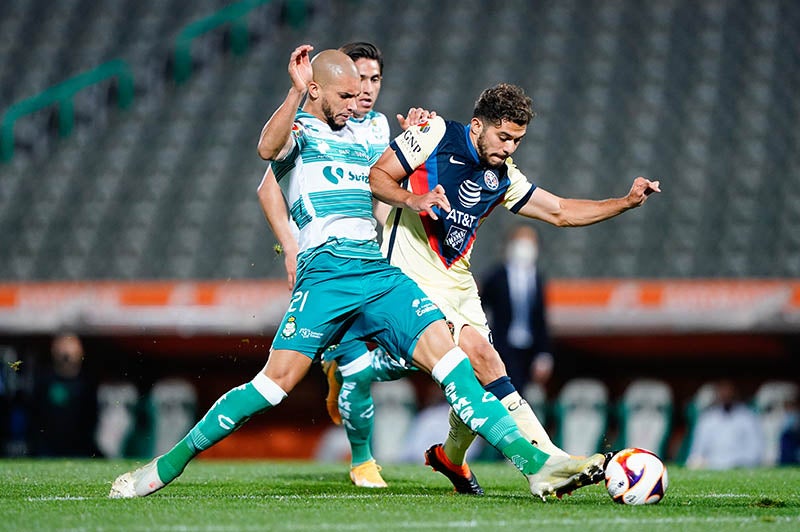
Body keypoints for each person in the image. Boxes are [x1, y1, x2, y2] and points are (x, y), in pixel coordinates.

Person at [109, 44, 606, 501]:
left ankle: (537, 463)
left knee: (457, 364)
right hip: (324, 275)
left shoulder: (370, 132)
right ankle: (164, 467)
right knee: (271, 387)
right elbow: (265, 152)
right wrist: (289, 244)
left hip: (376, 271)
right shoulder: (298, 132)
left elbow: (397, 169)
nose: (358, 100)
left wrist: (417, 133)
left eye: (364, 89)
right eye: (346, 93)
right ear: (317, 89)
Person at [367, 82, 660, 493]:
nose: (509, 148)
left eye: (517, 140)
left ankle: (450, 458)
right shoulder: (433, 133)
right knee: (482, 359)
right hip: (412, 280)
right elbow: (376, 177)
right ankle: (547, 461)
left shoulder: (503, 176)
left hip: (458, 283)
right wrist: (410, 199)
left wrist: (624, 202)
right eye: (503, 137)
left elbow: (560, 212)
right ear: (476, 126)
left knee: (485, 370)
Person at [255, 41, 425, 488]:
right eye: (358, 81)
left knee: (408, 356)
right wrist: (290, 247)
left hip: (370, 255)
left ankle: (338, 375)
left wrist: (414, 147)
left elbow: (379, 193)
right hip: (329, 258)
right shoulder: (318, 126)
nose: (366, 91)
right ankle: (363, 460)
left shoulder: (378, 128)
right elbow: (267, 188)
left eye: (374, 81)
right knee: (358, 371)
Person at [481, 224, 554, 393]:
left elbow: (540, 318)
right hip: (502, 347)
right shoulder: (496, 276)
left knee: (523, 395)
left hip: (528, 349)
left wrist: (544, 353)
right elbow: (481, 307)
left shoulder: (537, 277)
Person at [29, 333, 99, 457]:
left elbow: (92, 416)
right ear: (53, 351)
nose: (66, 354)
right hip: (47, 449)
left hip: (79, 448)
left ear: (80, 352)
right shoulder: (44, 380)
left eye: (71, 348)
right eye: (62, 348)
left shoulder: (87, 382)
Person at [686, 380, 765, 470]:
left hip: (740, 465)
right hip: (712, 465)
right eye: (723, 391)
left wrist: (743, 463)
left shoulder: (747, 417)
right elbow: (697, 450)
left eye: (728, 391)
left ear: (734, 393)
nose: (726, 395)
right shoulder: (707, 418)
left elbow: (755, 448)